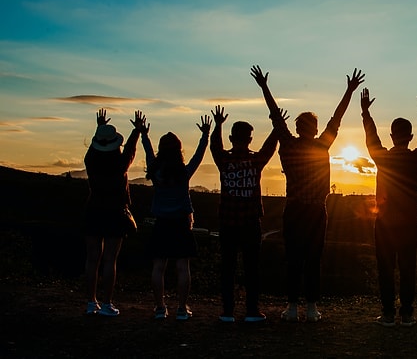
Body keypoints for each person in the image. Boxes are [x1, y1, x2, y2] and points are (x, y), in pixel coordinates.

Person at [251, 65, 365, 322]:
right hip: (316, 210)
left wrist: (264, 87)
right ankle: (312, 307)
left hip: (294, 209)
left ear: (298, 127)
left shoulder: (288, 144)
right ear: (314, 129)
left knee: (293, 259)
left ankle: (292, 307)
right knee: (314, 259)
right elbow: (337, 118)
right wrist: (349, 90)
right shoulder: (322, 144)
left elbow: (275, 116)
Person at [361, 87, 417, 327]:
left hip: (384, 222)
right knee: (408, 268)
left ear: (392, 136)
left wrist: (365, 114)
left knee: (386, 269)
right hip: (410, 222)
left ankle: (389, 313)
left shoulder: (383, 157)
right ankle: (407, 314)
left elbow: (372, 139)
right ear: (409, 136)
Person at [209, 105, 278, 323]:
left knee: (227, 268)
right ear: (249, 139)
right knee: (251, 268)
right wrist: (276, 128)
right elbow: (269, 148)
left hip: (227, 222)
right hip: (250, 222)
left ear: (231, 137)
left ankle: (227, 311)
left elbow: (214, 146)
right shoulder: (255, 161)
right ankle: (251, 310)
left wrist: (217, 125)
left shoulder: (224, 160)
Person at [142, 114, 212, 321]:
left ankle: (159, 308)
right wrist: (205, 136)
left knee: (158, 267)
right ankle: (182, 308)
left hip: (161, 223)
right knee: (183, 267)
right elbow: (199, 156)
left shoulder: (155, 171)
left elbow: (148, 152)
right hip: (182, 223)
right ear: (179, 150)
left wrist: (144, 135)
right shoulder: (183, 172)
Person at [83, 109, 148, 316]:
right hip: (115, 212)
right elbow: (130, 150)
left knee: (92, 258)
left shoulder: (90, 160)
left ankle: (91, 302)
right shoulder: (120, 164)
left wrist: (99, 127)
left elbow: (97, 148)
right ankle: (107, 302)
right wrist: (137, 130)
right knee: (110, 259)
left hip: (93, 209)